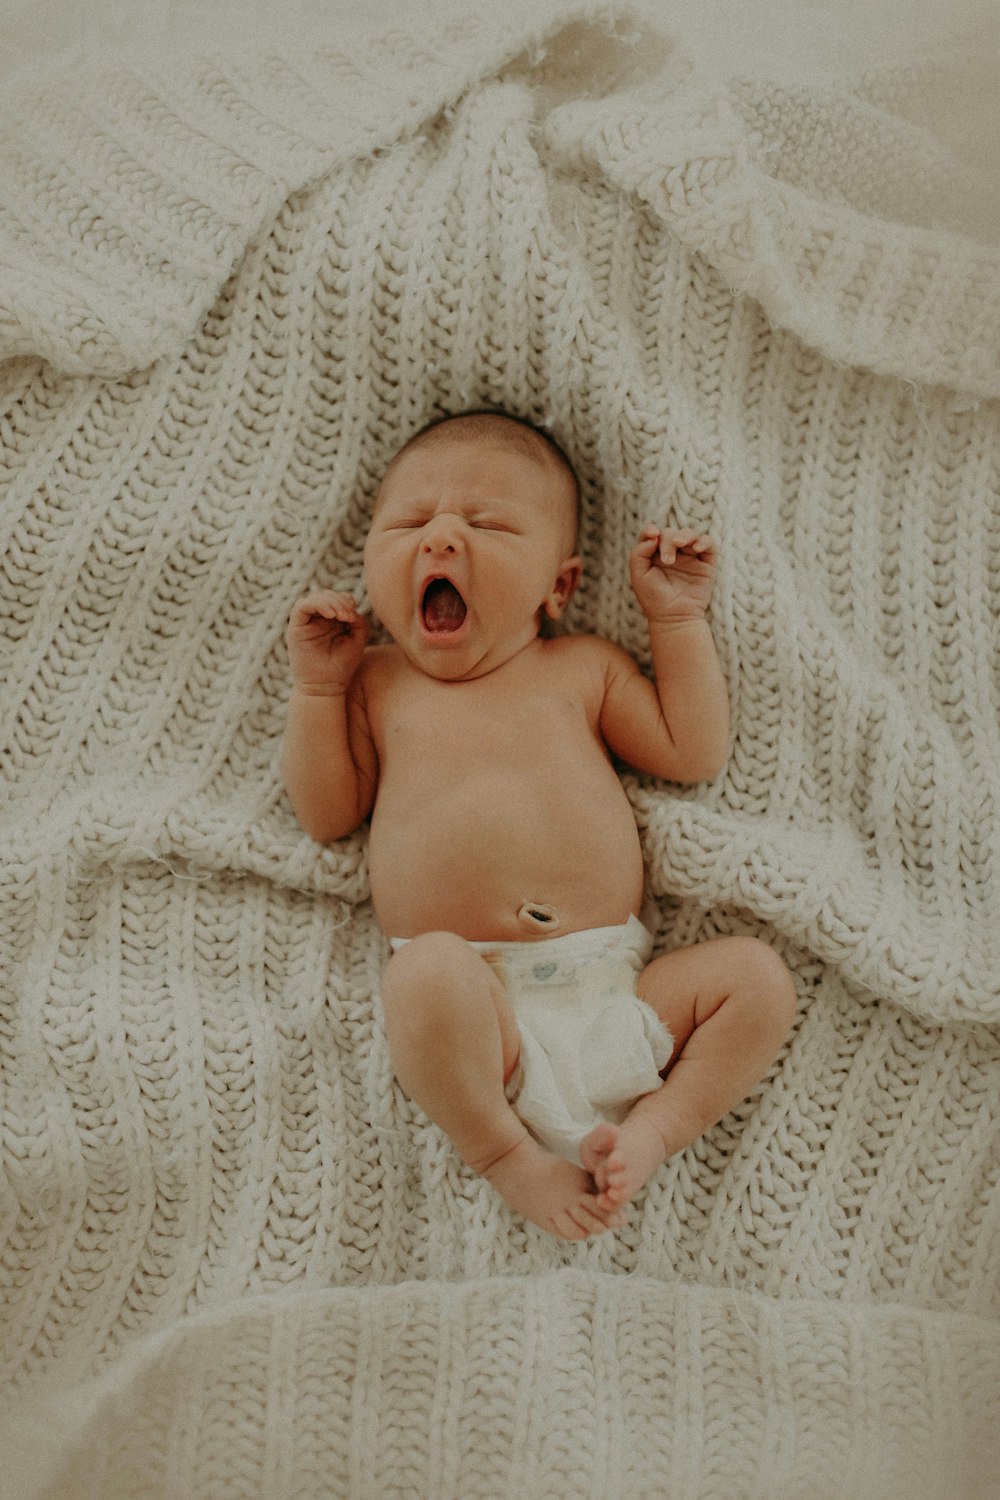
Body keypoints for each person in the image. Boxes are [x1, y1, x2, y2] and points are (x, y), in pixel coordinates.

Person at [281, 409, 797, 1240]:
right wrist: (316, 691)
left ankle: (653, 1131)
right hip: (479, 1012)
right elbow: (326, 814)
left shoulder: (582, 667)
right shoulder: (377, 684)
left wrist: (675, 619)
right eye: (410, 522)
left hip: (617, 998)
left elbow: (690, 750)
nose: (441, 538)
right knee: (421, 979)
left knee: (758, 979)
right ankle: (506, 1157)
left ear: (558, 587)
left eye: (484, 524)